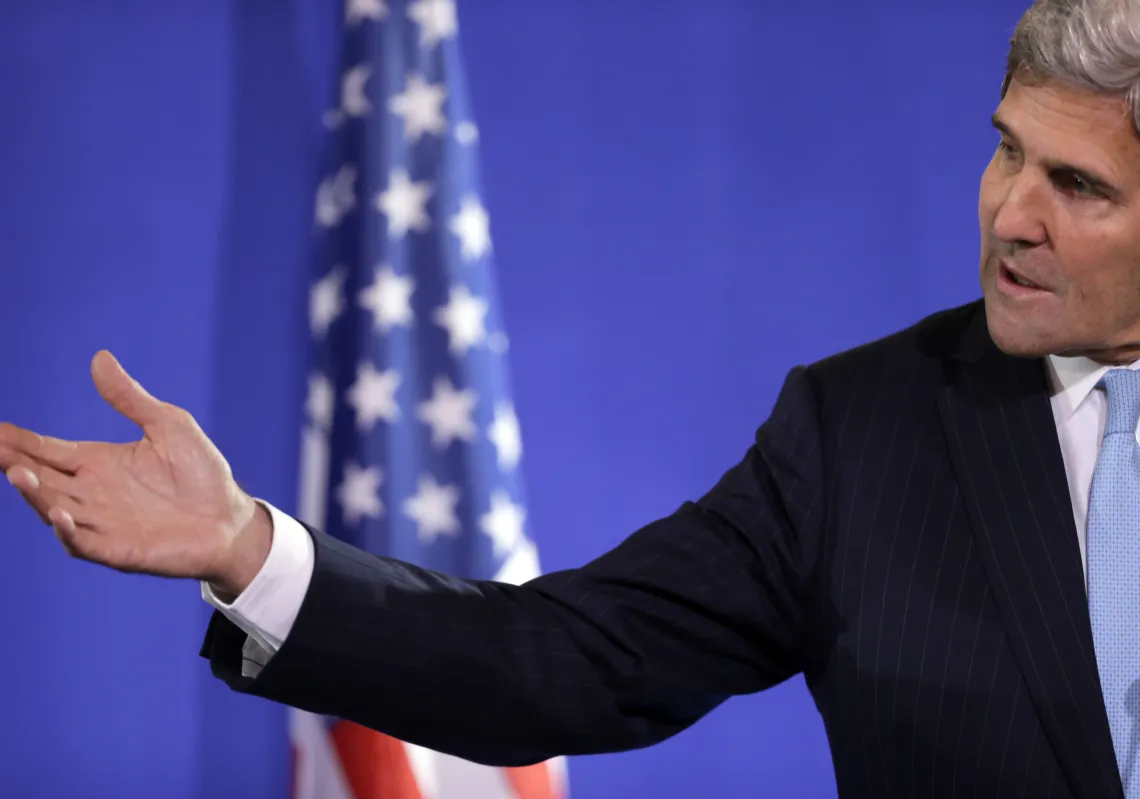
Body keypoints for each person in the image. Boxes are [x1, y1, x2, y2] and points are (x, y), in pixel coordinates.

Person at [8, 0, 1140, 796]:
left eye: (1078, 185)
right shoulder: (870, 430)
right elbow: (562, 659)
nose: (1012, 215)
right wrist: (247, 548)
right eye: (1007, 152)